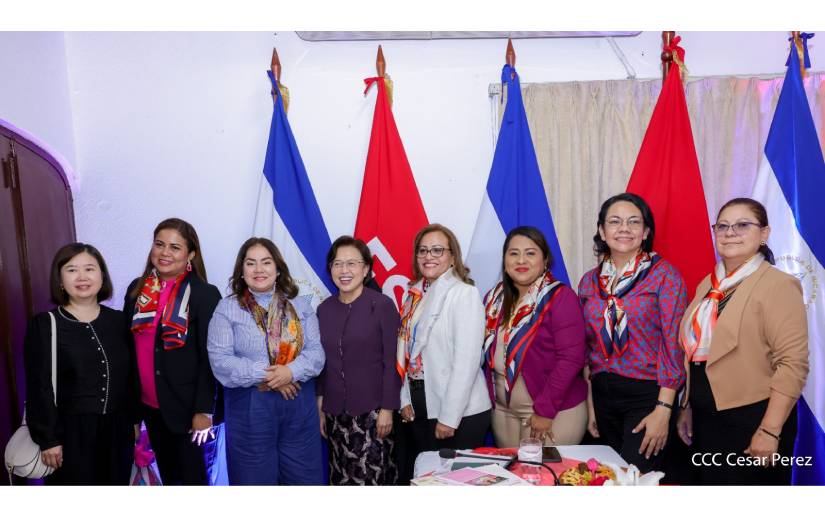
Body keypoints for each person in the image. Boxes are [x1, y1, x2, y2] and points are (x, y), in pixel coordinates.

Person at [676, 198, 808, 485]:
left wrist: (770, 429)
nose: (730, 232)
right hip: (706, 417)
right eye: (722, 226)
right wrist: (688, 405)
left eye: (742, 225)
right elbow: (698, 354)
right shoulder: (708, 284)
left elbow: (792, 364)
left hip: (753, 420)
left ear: (764, 233)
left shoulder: (779, 285)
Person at [578, 193, 687, 473]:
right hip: (602, 396)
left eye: (634, 222)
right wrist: (591, 406)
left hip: (647, 396)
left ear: (646, 231)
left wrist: (664, 409)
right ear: (602, 231)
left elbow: (673, 346)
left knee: (634, 480)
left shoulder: (665, 276)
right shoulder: (589, 281)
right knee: (607, 478)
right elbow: (589, 348)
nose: (624, 228)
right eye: (615, 221)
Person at [207, 237, 325, 485]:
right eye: (251, 263)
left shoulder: (300, 306)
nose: (258, 269)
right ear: (242, 271)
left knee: (304, 480)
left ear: (278, 268)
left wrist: (290, 372)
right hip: (250, 408)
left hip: (298, 406)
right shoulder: (227, 309)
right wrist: (271, 375)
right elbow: (220, 361)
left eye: (266, 262)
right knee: (253, 481)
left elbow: (316, 354)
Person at [24, 243, 135, 485]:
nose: (82, 277)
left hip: (118, 431)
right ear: (60, 280)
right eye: (72, 270)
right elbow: (39, 386)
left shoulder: (118, 321)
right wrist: (49, 439)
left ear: (102, 276)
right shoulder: (46, 324)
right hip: (69, 435)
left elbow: (131, 378)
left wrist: (135, 422)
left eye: (89, 269)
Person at [124, 218, 221, 485]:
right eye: (159, 244)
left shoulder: (205, 294)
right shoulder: (137, 290)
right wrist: (132, 412)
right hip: (149, 406)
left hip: (187, 410)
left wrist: (203, 410)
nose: (165, 252)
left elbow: (209, 358)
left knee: (192, 481)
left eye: (175, 247)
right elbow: (129, 351)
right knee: (169, 479)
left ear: (191, 254)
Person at [482, 226, 588, 448]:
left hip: (553, 412)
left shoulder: (560, 297)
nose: (521, 260)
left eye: (530, 253)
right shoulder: (493, 299)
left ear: (545, 260)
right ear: (504, 260)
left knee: (544, 471)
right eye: (513, 253)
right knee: (510, 471)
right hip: (503, 411)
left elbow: (571, 359)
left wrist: (545, 410)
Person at [397, 224, 491, 459]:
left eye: (437, 250)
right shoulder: (414, 296)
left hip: (459, 414)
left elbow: (466, 362)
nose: (428, 256)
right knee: (424, 473)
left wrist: (449, 417)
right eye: (423, 250)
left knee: (453, 478)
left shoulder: (464, 293)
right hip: (422, 406)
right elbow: (406, 352)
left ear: (452, 257)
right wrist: (405, 399)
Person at [316, 236, 401, 485]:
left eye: (352, 263)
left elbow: (392, 362)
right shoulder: (324, 309)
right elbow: (322, 364)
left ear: (366, 269)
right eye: (338, 264)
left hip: (373, 413)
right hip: (335, 415)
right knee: (341, 479)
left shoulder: (382, 305)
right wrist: (320, 407)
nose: (344, 270)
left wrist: (388, 409)